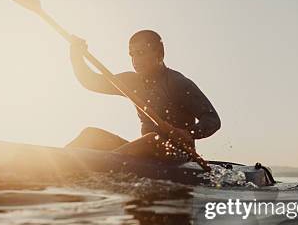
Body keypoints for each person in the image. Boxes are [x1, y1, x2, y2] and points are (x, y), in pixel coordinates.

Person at [66, 30, 221, 159]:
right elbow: (91, 82)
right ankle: (61, 164)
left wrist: (188, 133)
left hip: (178, 156)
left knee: (151, 140)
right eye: (132, 54)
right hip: (143, 154)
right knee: (91, 134)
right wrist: (76, 56)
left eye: (140, 53)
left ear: (159, 54)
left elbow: (212, 119)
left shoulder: (177, 83)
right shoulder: (132, 82)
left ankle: (97, 166)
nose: (135, 60)